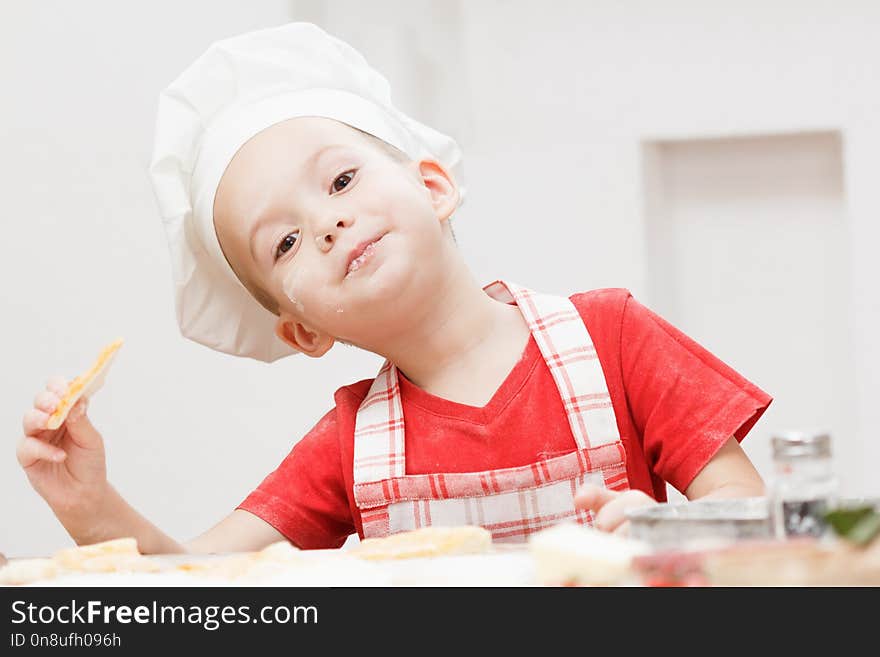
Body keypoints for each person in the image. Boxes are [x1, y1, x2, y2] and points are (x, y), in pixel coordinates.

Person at [17, 23, 770, 555]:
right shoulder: (349, 444)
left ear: (434, 184)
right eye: (284, 241)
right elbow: (201, 585)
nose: (328, 222)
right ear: (300, 329)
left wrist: (669, 538)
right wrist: (89, 506)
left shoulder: (612, 338)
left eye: (341, 178)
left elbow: (754, 512)